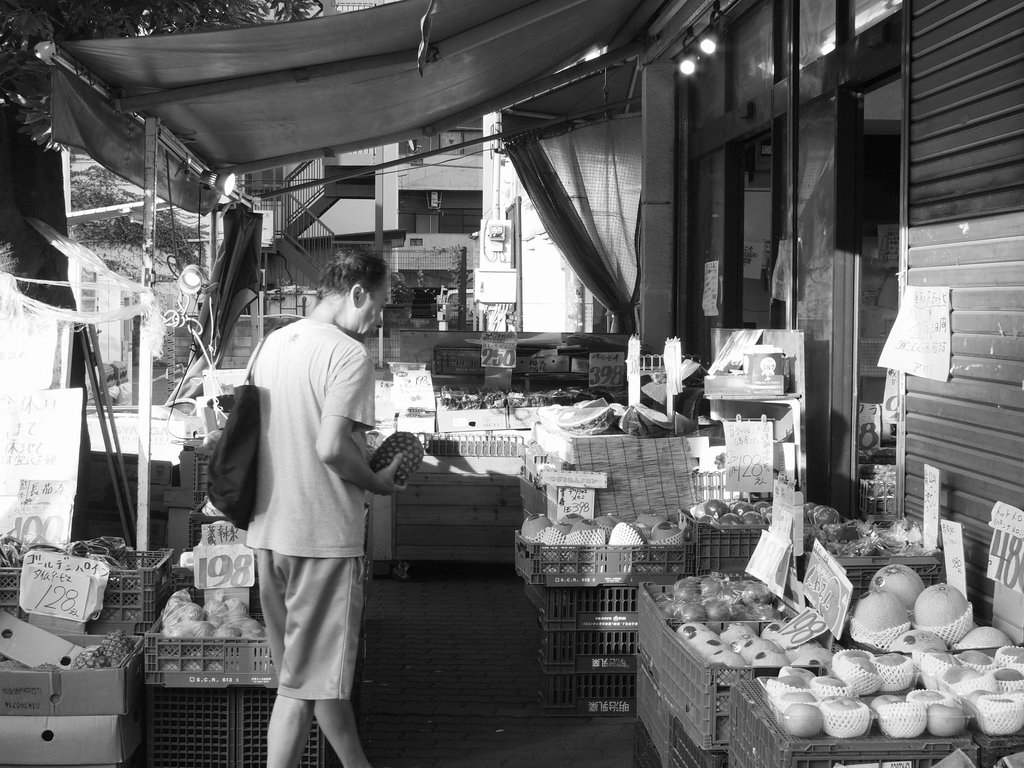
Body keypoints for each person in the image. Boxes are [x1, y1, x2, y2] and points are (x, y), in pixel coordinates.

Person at [246, 248, 405, 768]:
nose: (377, 319)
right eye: (377, 306)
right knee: (299, 687)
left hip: (268, 533)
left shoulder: (273, 343)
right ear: (357, 293)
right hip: (321, 539)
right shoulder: (347, 355)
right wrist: (377, 482)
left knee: (312, 676)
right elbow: (332, 447)